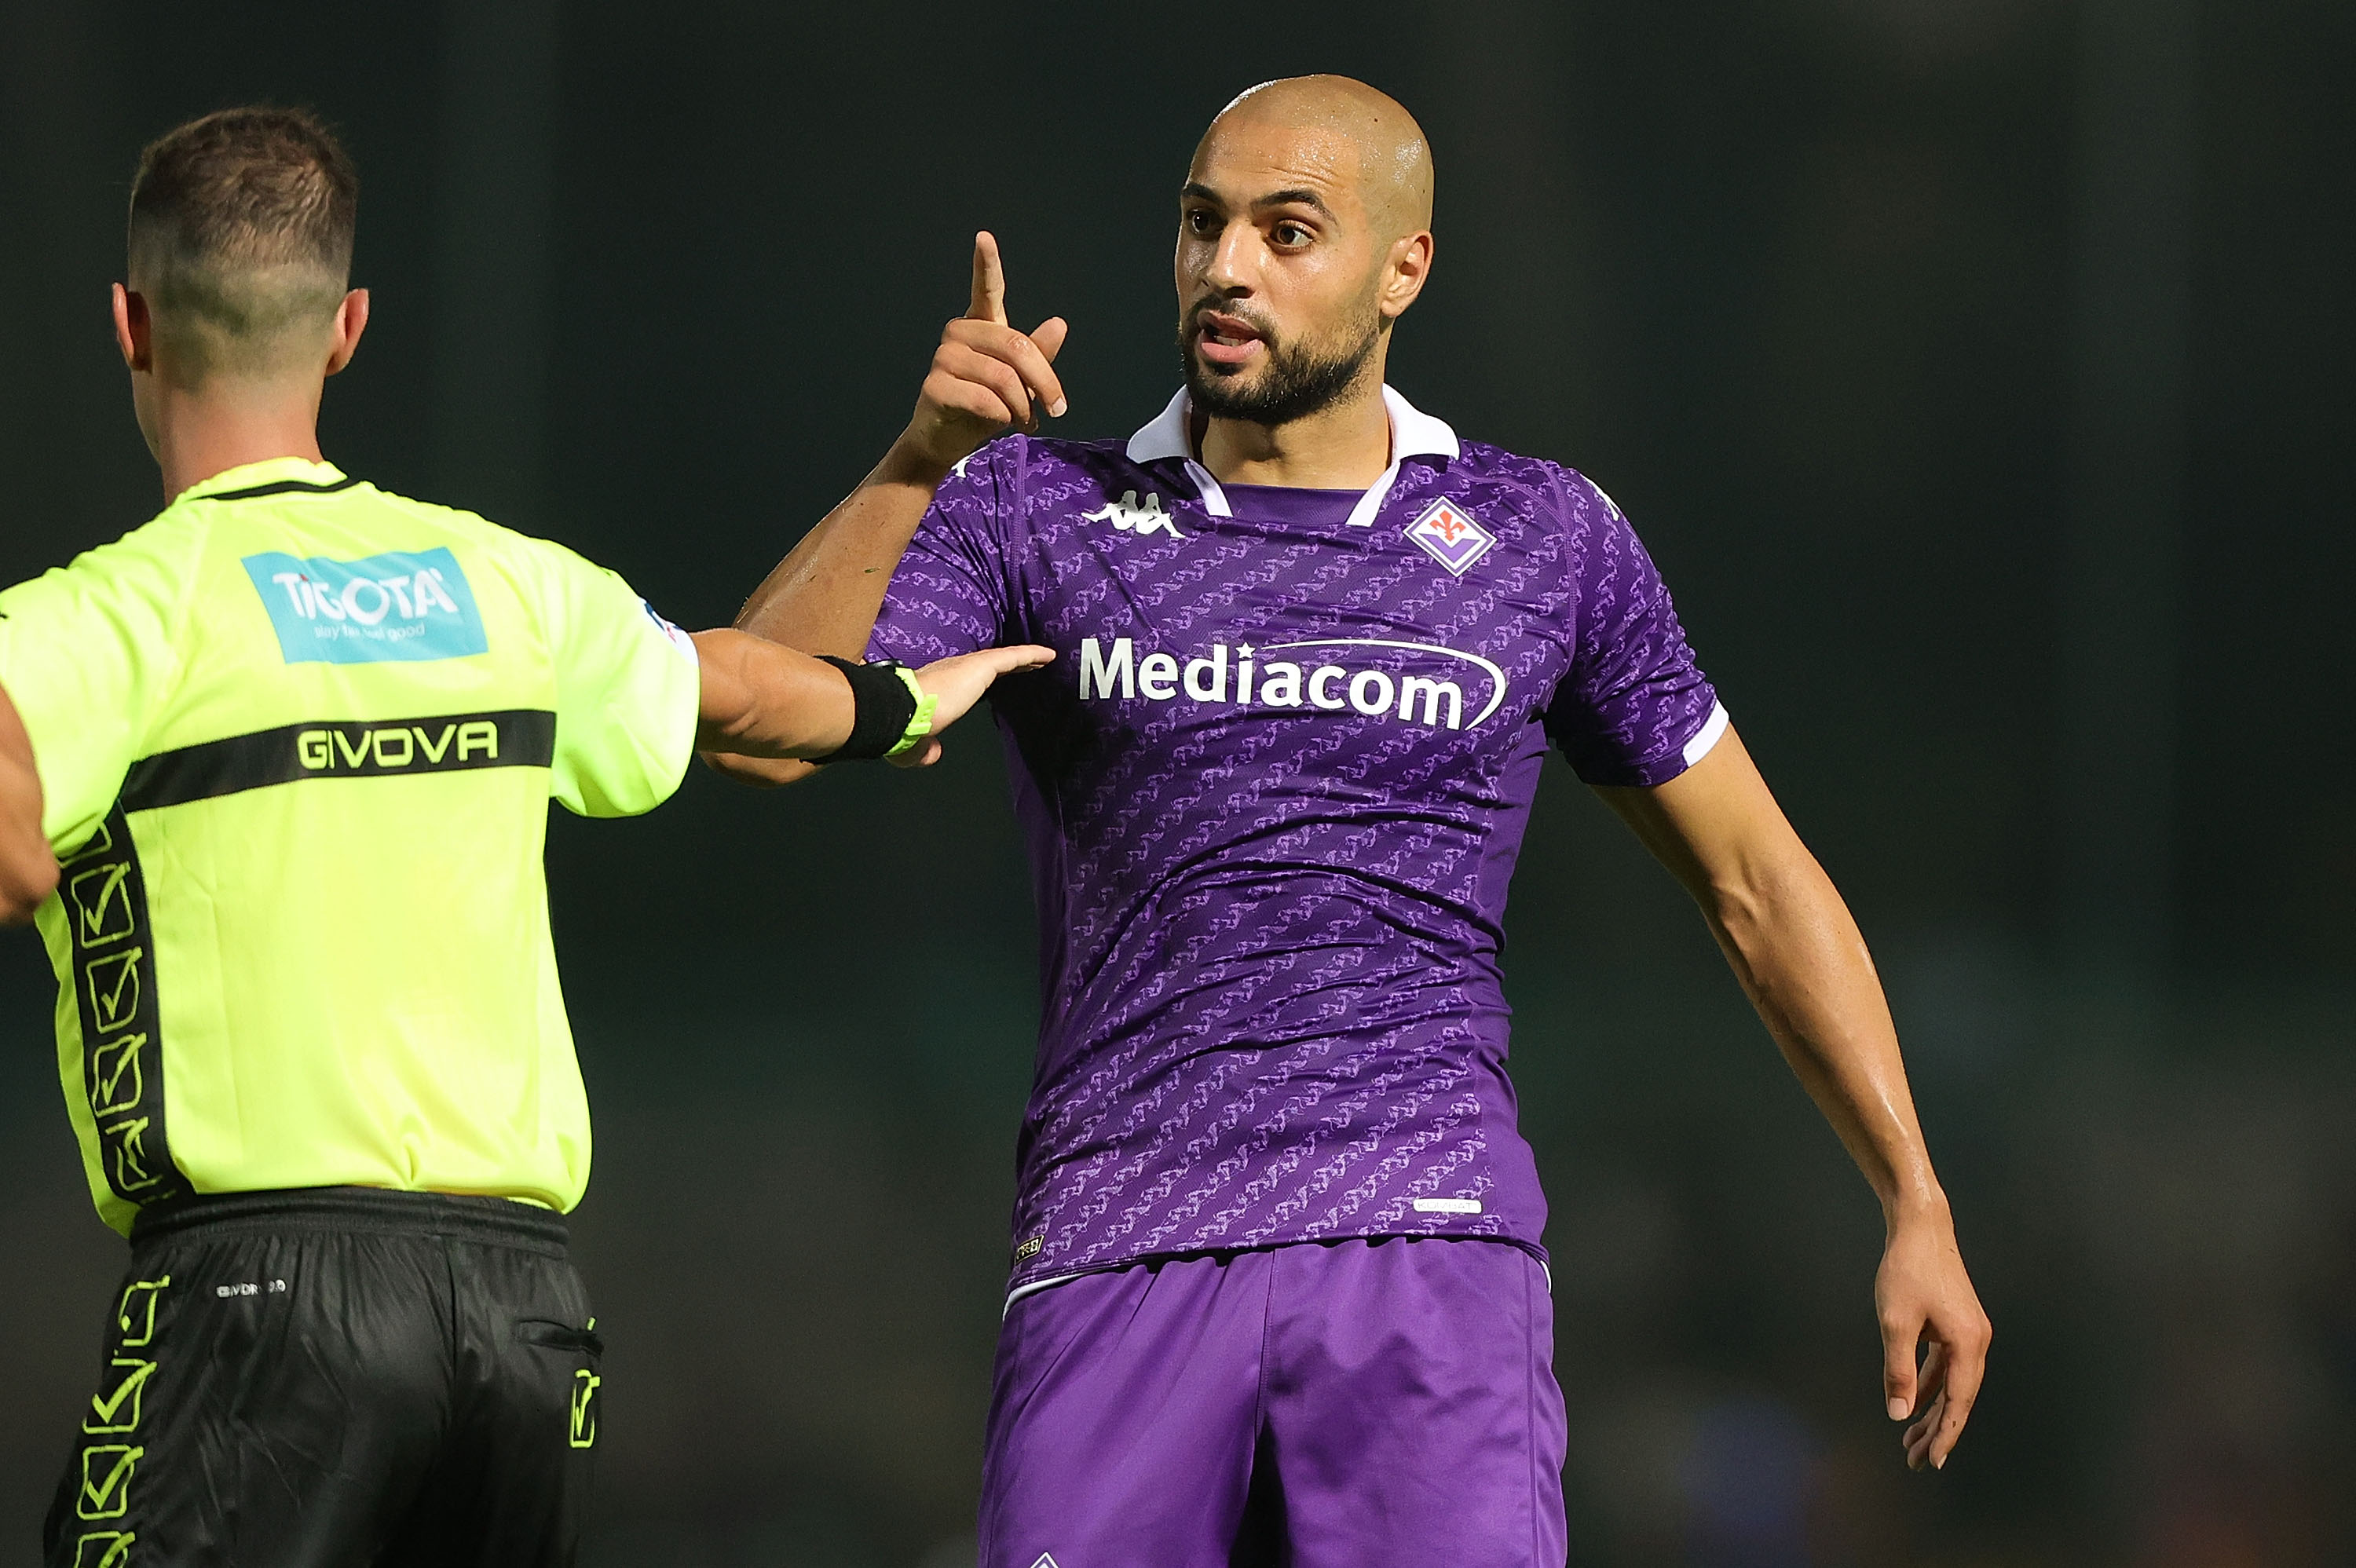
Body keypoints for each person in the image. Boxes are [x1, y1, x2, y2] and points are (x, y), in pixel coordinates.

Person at [726, 75, 1992, 1566]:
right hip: (1120, 1239)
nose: (1227, 268)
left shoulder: (1543, 538)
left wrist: (1914, 1194)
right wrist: (920, 456)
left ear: (1407, 268)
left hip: (1427, 1242)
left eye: (1288, 230)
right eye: (1203, 225)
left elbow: (1758, 880)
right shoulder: (1035, 507)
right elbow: (772, 734)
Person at [0, 106, 1048, 1568]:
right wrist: (887, 667)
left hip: (253, 1308)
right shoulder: (507, 590)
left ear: (130, 321)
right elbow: (744, 696)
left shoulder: (102, 622)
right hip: (518, 1321)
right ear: (348, 327)